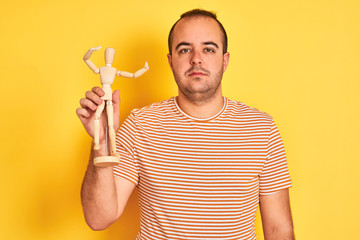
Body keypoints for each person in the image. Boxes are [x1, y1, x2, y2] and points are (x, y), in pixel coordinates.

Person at [76, 9, 295, 240]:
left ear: (225, 60)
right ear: (171, 61)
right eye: (185, 49)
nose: (196, 58)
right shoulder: (140, 125)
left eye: (208, 49)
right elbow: (98, 218)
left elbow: (278, 229)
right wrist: (100, 142)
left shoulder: (261, 128)